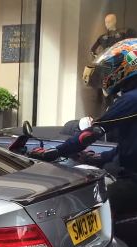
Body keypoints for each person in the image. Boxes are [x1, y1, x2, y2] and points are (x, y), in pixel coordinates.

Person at [30, 38, 137, 215]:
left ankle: (107, 243)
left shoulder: (131, 99)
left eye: (111, 68)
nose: (106, 75)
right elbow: (130, 145)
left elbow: (91, 133)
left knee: (85, 208)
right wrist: (100, 158)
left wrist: (57, 151)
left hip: (133, 180)